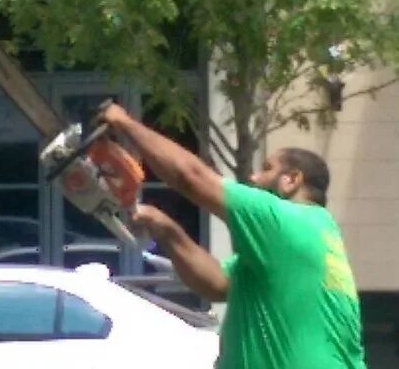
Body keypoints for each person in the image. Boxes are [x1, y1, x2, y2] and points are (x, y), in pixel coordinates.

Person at [99, 103, 367, 369]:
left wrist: (124, 123)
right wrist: (164, 227)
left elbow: (190, 177)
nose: (253, 176)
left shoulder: (283, 220)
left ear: (291, 180)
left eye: (266, 168)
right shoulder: (313, 233)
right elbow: (217, 283)